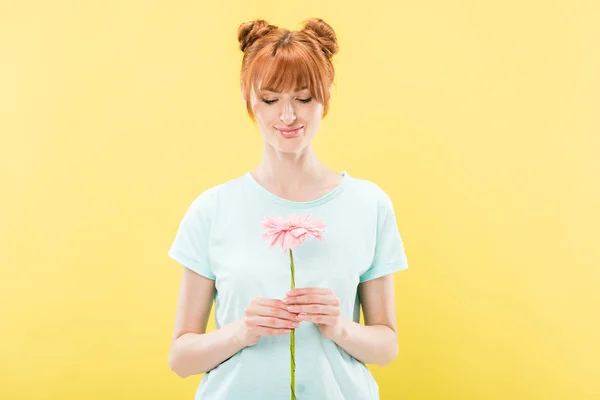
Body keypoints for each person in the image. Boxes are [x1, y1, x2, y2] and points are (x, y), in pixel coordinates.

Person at [167, 17, 409, 400]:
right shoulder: (212, 208)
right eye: (270, 99)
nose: (288, 116)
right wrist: (243, 331)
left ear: (326, 94)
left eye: (303, 98)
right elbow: (181, 358)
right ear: (249, 98)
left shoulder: (369, 204)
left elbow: (386, 346)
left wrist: (337, 326)